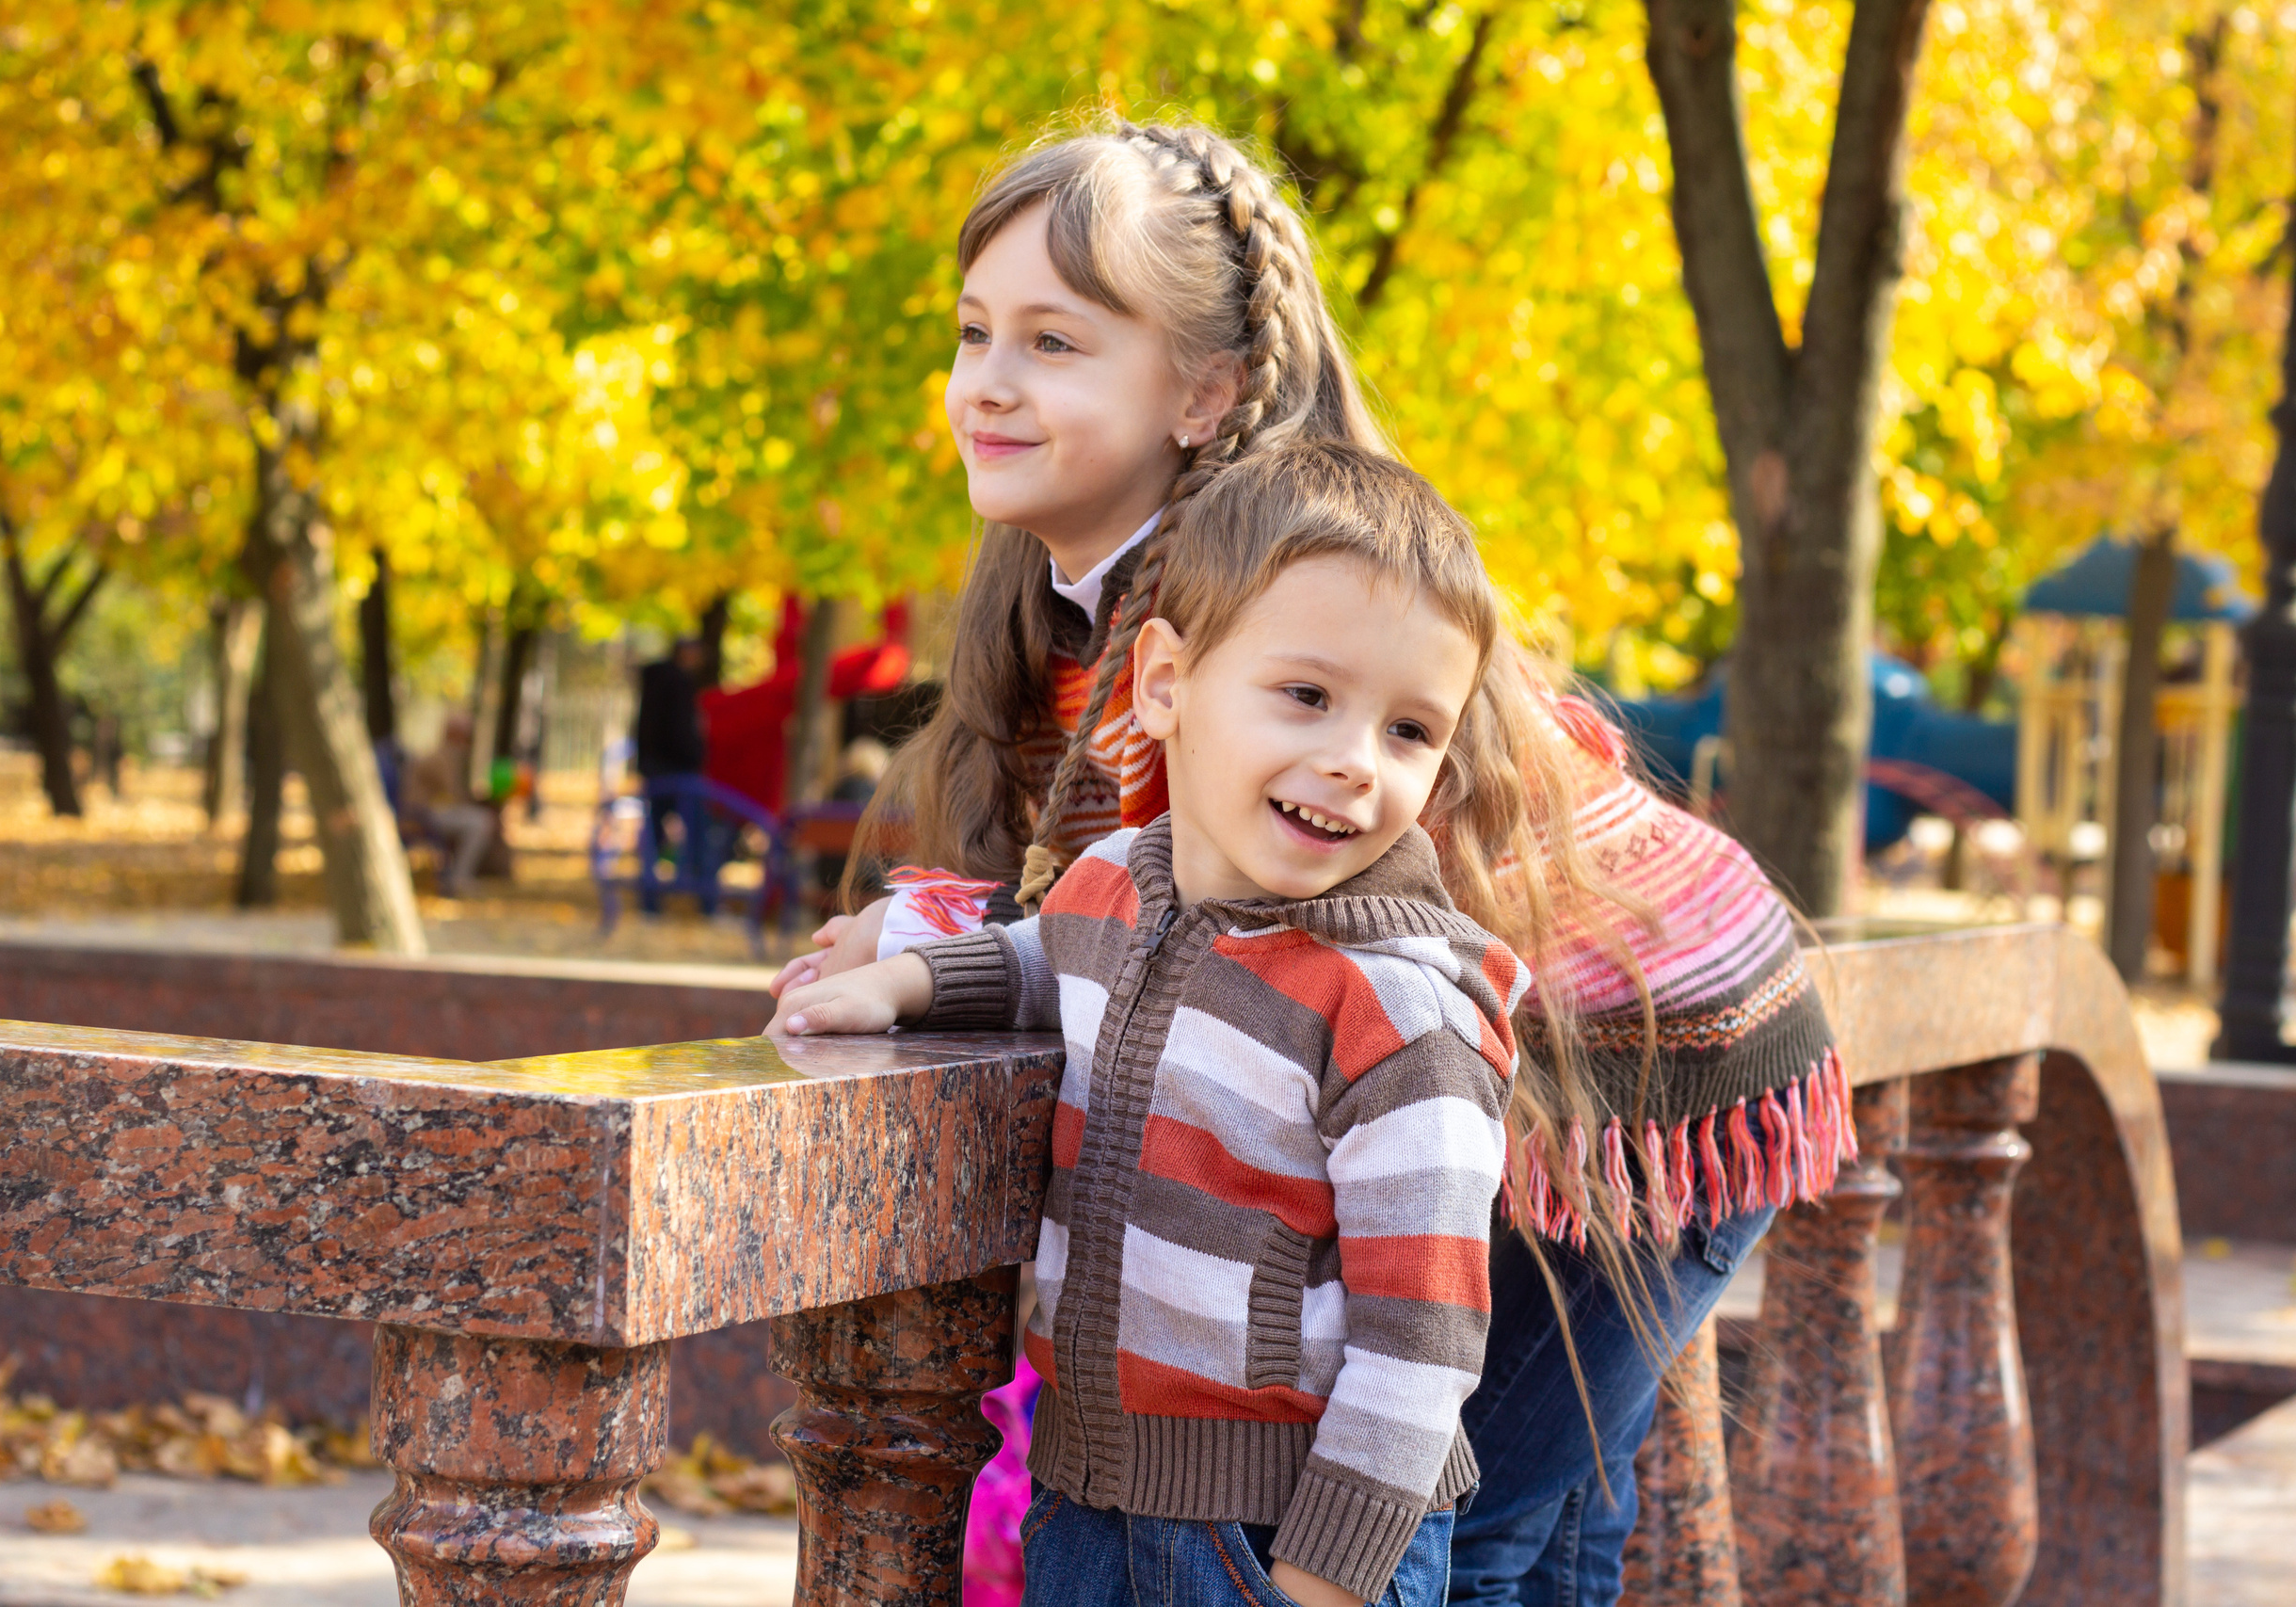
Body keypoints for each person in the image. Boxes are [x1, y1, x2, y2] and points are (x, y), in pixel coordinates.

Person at [768, 119, 1848, 1606]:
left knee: (1470, 1525)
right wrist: (924, 940)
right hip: (1462, 1073)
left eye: (1057, 343)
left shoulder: (1279, 604)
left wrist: (922, 942)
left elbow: (1166, 890)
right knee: (1526, 1519)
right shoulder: (1118, 594)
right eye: (975, 332)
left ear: (1206, 391)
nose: (989, 383)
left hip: (1661, 1049)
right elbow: (1103, 892)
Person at [772, 444, 1527, 1607]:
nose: (1351, 762)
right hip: (1089, 1499)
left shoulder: (1399, 1015)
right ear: (1165, 685)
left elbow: (1423, 1338)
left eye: (1410, 732)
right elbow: (1049, 958)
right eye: (1308, 696)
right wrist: (911, 985)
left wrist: (1324, 1574)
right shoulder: (1121, 877)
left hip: (1280, 1531)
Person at [635, 635, 714, 912]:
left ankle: (650, 901)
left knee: (654, 835)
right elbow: (679, 731)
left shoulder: (653, 681)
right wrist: (695, 753)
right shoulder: (678, 683)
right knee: (696, 835)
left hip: (655, 769)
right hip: (678, 771)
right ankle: (706, 902)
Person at [404, 711, 497, 897]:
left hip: (431, 812)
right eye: (466, 735)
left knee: (479, 820)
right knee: (481, 823)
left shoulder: (445, 755)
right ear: (455, 734)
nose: (468, 742)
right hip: (423, 814)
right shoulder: (442, 757)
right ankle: (459, 879)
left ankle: (457, 877)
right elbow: (453, 795)